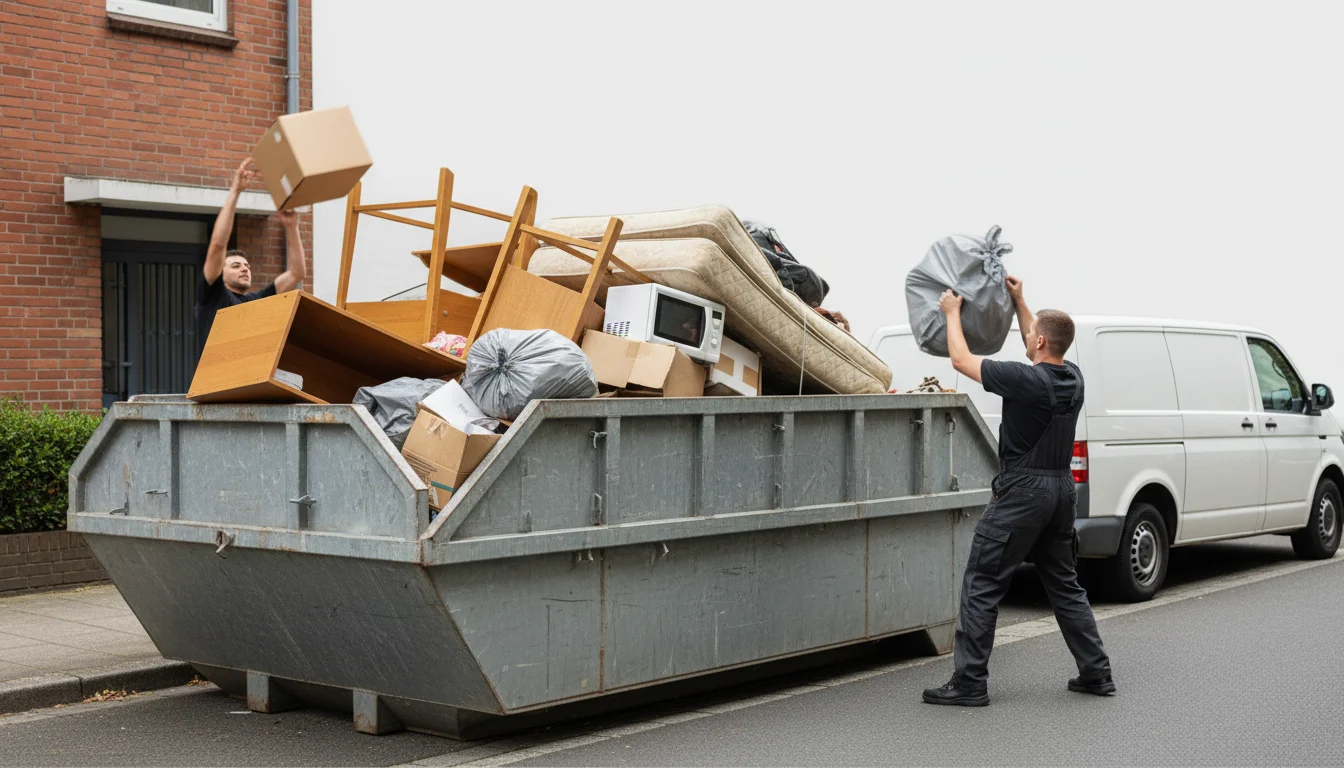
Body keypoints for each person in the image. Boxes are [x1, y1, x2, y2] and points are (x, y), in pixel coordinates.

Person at [922, 276, 1113, 707]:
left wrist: (952, 313)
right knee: (1065, 584)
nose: (1026, 336)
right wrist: (1021, 300)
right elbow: (1043, 337)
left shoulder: (1023, 381)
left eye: (1030, 334)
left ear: (1040, 341)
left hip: (1023, 494)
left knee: (982, 581)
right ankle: (1096, 672)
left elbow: (960, 359)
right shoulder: (1074, 378)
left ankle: (969, 682)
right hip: (1062, 492)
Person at [196, 157, 307, 354]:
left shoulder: (256, 300)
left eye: (246, 265)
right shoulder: (213, 295)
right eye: (236, 266)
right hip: (215, 382)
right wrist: (236, 191)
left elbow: (297, 273)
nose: (245, 268)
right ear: (221, 273)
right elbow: (217, 245)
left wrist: (291, 226)